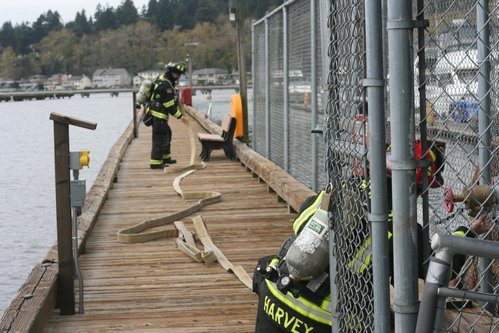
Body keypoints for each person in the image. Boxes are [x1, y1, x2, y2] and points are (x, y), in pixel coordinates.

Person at [148, 61, 186, 169]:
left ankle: (166, 157)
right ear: (173, 73)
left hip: (158, 114)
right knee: (161, 138)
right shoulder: (166, 85)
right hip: (159, 115)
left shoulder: (163, 79)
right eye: (178, 74)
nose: (178, 77)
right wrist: (180, 116)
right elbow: (169, 105)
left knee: (167, 133)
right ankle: (155, 162)